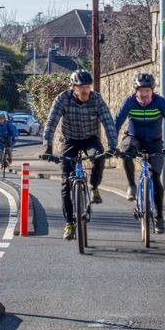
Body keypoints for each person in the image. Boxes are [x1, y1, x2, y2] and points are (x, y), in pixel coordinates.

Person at [40, 69, 117, 240]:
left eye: (88, 87)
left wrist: (112, 145)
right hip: (70, 140)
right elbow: (51, 123)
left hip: (90, 138)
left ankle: (94, 186)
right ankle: (69, 223)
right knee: (66, 182)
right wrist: (48, 147)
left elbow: (108, 121)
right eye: (81, 87)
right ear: (72, 87)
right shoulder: (62, 99)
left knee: (99, 157)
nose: (85, 91)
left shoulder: (96, 99)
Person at [114, 72, 165, 234]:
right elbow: (116, 123)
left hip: (154, 143)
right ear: (136, 91)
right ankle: (132, 185)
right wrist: (112, 145)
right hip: (134, 139)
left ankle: (159, 218)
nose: (144, 95)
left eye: (148, 91)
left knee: (155, 178)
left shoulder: (160, 103)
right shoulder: (129, 102)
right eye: (141, 91)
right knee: (126, 150)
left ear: (152, 91)